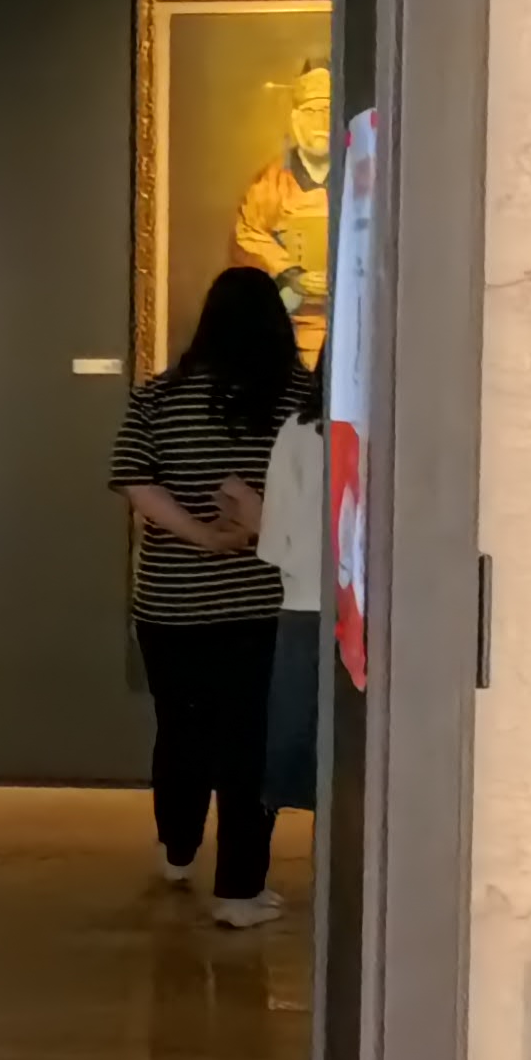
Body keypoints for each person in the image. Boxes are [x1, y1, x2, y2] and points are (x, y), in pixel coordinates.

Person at [111, 265, 310, 927]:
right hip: (261, 600)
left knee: (180, 727)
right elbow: (316, 492)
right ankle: (239, 891)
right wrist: (248, 530)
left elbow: (135, 481)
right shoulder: (298, 400)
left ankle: (177, 850)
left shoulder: (160, 396)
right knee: (250, 743)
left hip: (170, 601)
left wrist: (198, 535)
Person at [257, 357, 330, 816]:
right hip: (383, 605)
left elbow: (273, 536)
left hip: (306, 599)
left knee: (299, 733)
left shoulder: (300, 430)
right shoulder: (400, 427)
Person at [230, 60, 333, 359]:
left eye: (328, 111)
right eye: (312, 112)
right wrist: (291, 275)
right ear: (296, 118)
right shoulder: (271, 182)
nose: (321, 123)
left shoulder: (363, 178)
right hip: (288, 332)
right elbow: (248, 235)